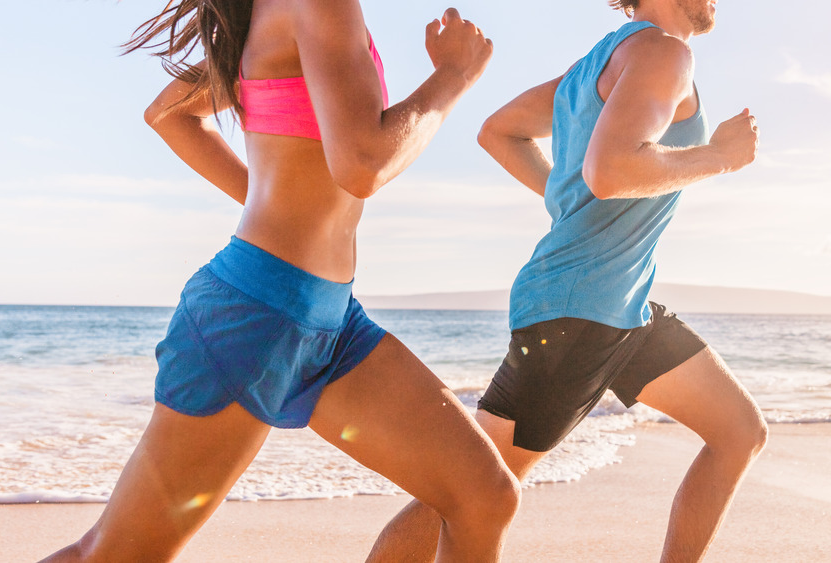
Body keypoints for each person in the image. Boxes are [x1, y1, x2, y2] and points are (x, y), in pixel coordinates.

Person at [42, 2, 521, 562]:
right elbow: (364, 165)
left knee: (482, 496)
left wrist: (274, 204)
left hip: (332, 322)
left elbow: (166, 113)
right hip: (253, 317)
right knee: (111, 555)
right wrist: (453, 75)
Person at [367, 0, 768, 561]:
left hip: (624, 309)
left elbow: (498, 132)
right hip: (575, 315)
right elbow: (611, 171)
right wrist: (720, 157)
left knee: (738, 432)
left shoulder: (600, 63)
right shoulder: (662, 52)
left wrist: (570, 210)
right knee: (471, 492)